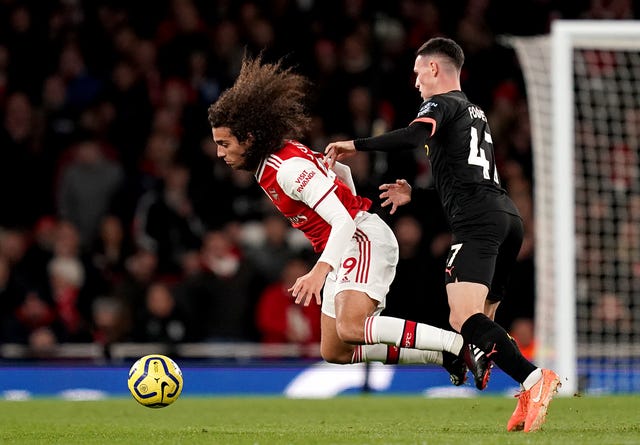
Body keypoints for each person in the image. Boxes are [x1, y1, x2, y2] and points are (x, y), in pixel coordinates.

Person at [325, 37, 560, 433]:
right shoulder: (475, 112)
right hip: (506, 219)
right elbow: (463, 182)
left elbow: (414, 137)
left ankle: (536, 380)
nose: (416, 82)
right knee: (485, 325)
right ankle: (524, 390)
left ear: (435, 68)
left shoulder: (442, 103)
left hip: (478, 225)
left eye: (418, 73)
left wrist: (357, 144)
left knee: (461, 317)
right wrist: (413, 193)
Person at [208, 54, 471, 386]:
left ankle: (458, 344)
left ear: (248, 138)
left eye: (224, 143)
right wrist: (346, 206)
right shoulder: (277, 157)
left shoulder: (287, 169)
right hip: (344, 243)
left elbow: (344, 221)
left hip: (359, 237)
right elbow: (340, 170)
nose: (220, 153)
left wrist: (322, 269)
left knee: (351, 327)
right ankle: (441, 356)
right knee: (335, 350)